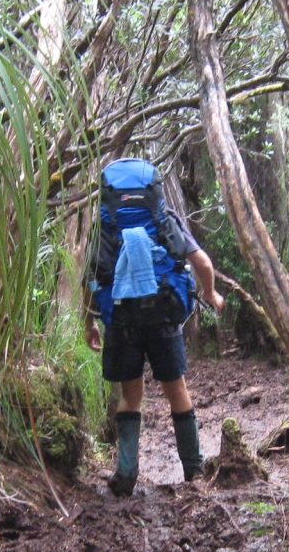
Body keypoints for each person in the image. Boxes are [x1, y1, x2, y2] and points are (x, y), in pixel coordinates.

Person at [83, 161, 225, 497]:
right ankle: (194, 471)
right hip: (162, 316)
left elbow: (91, 279)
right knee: (176, 390)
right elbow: (202, 262)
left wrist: (88, 323)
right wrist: (209, 293)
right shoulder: (164, 221)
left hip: (121, 319)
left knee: (131, 396)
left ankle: (127, 474)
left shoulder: (104, 227)